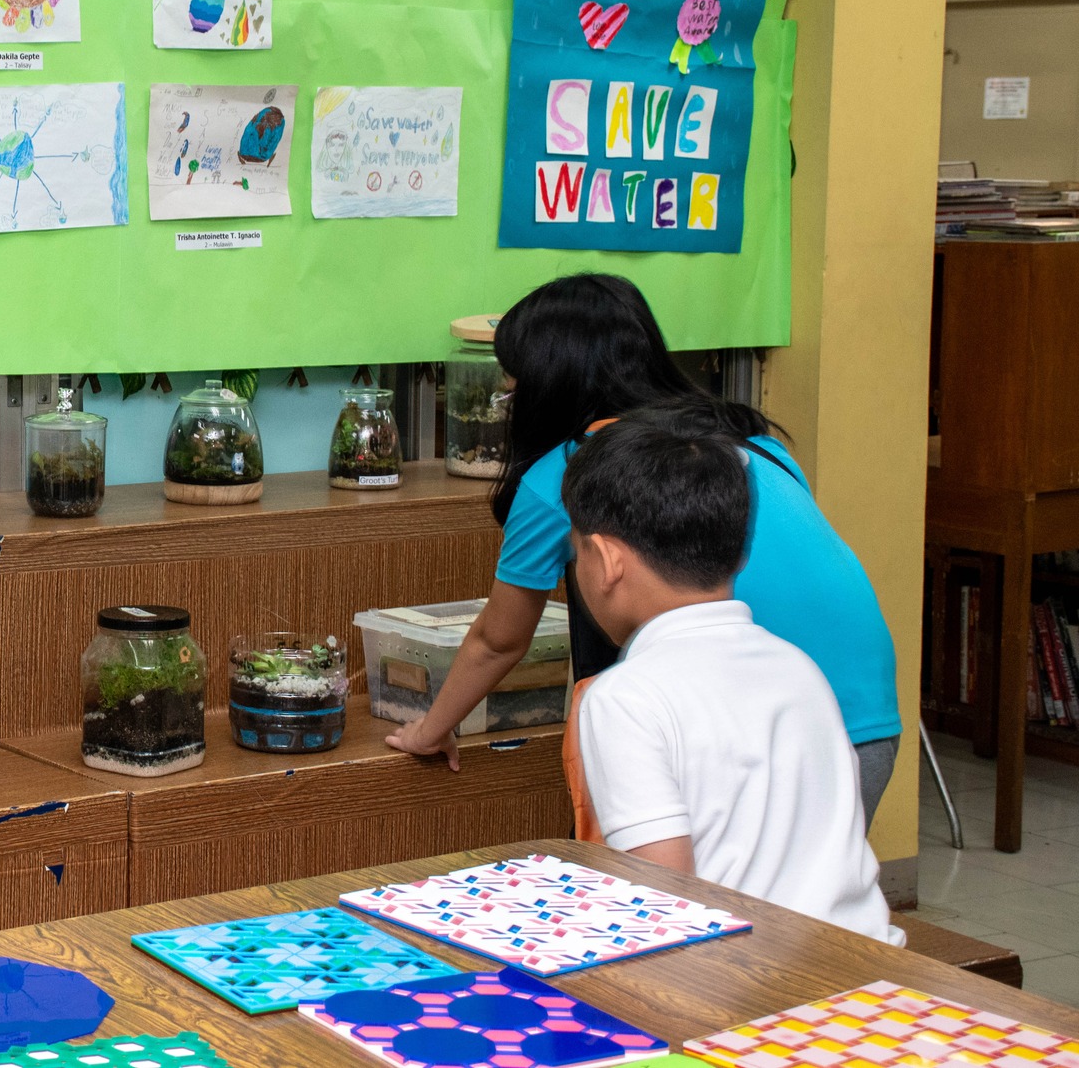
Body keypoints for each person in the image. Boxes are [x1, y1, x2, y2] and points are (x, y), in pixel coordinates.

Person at [386, 273, 901, 831]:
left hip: (741, 738)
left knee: (699, 907)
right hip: (862, 717)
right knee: (800, 907)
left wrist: (430, 728)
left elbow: (499, 639)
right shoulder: (755, 442)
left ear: (547, 384)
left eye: (512, 387)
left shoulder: (569, 470)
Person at [561, 410, 901, 945]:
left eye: (576, 548)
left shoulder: (622, 698)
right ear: (742, 551)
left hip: (740, 998)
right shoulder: (798, 667)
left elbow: (660, 902)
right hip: (861, 969)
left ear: (604, 560)